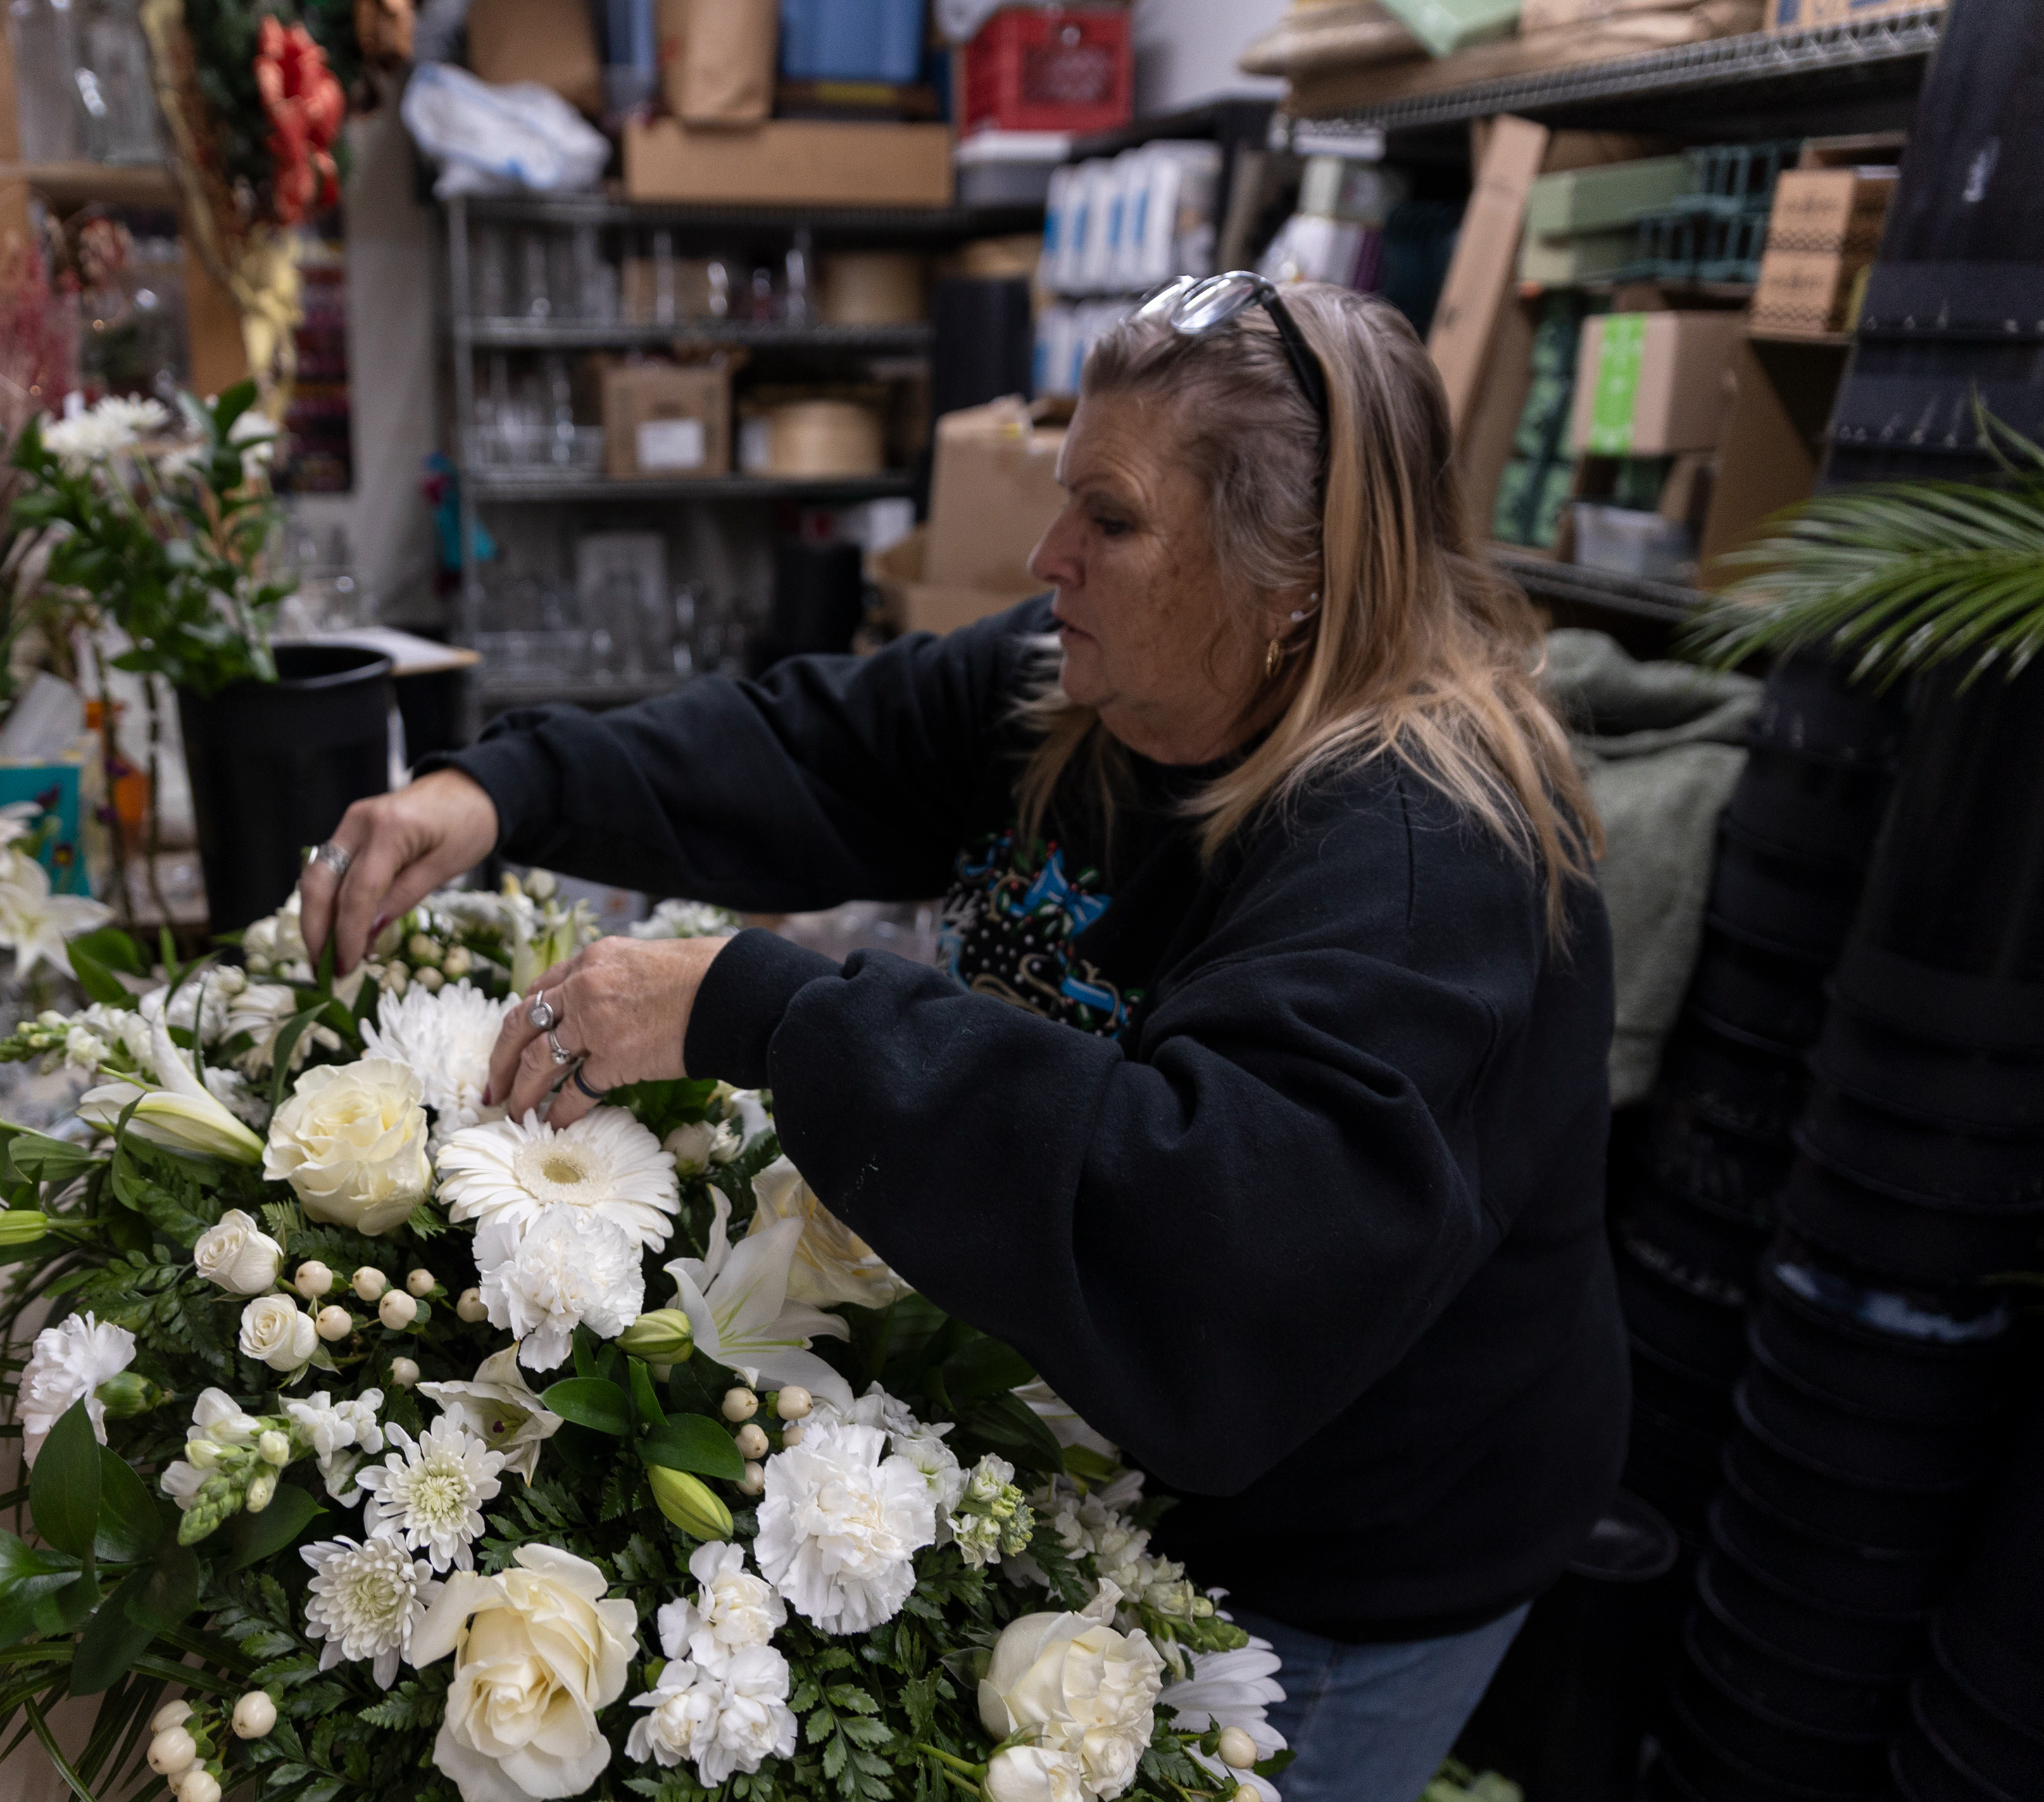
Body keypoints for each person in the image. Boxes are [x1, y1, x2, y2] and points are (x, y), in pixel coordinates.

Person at [295, 276, 1627, 1802]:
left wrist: (764, 1003)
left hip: (1340, 1550)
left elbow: (1212, 1224)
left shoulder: (1418, 853)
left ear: (1297, 573)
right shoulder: (1095, 683)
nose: (1047, 560)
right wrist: (500, 790)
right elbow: (814, 743)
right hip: (1126, 1452)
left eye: (1111, 523)